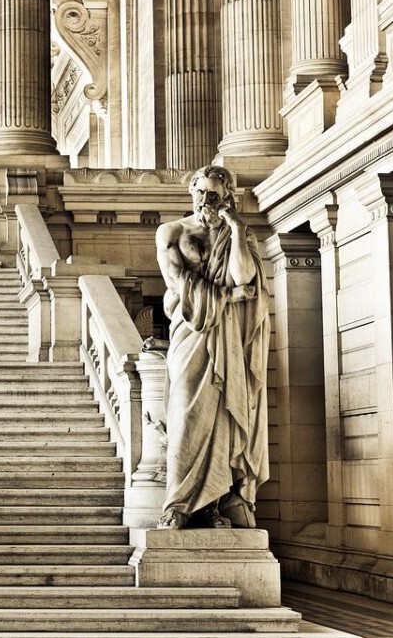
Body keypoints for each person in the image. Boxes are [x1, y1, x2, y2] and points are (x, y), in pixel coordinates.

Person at [154, 165, 269, 529]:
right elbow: (177, 282)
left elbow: (245, 276)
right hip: (192, 335)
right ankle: (177, 504)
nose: (206, 201)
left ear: (228, 198)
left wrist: (235, 229)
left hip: (228, 337)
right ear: (192, 193)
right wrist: (229, 295)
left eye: (215, 195)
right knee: (186, 413)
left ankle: (211, 505)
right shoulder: (173, 231)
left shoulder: (238, 235)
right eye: (201, 193)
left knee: (223, 418)